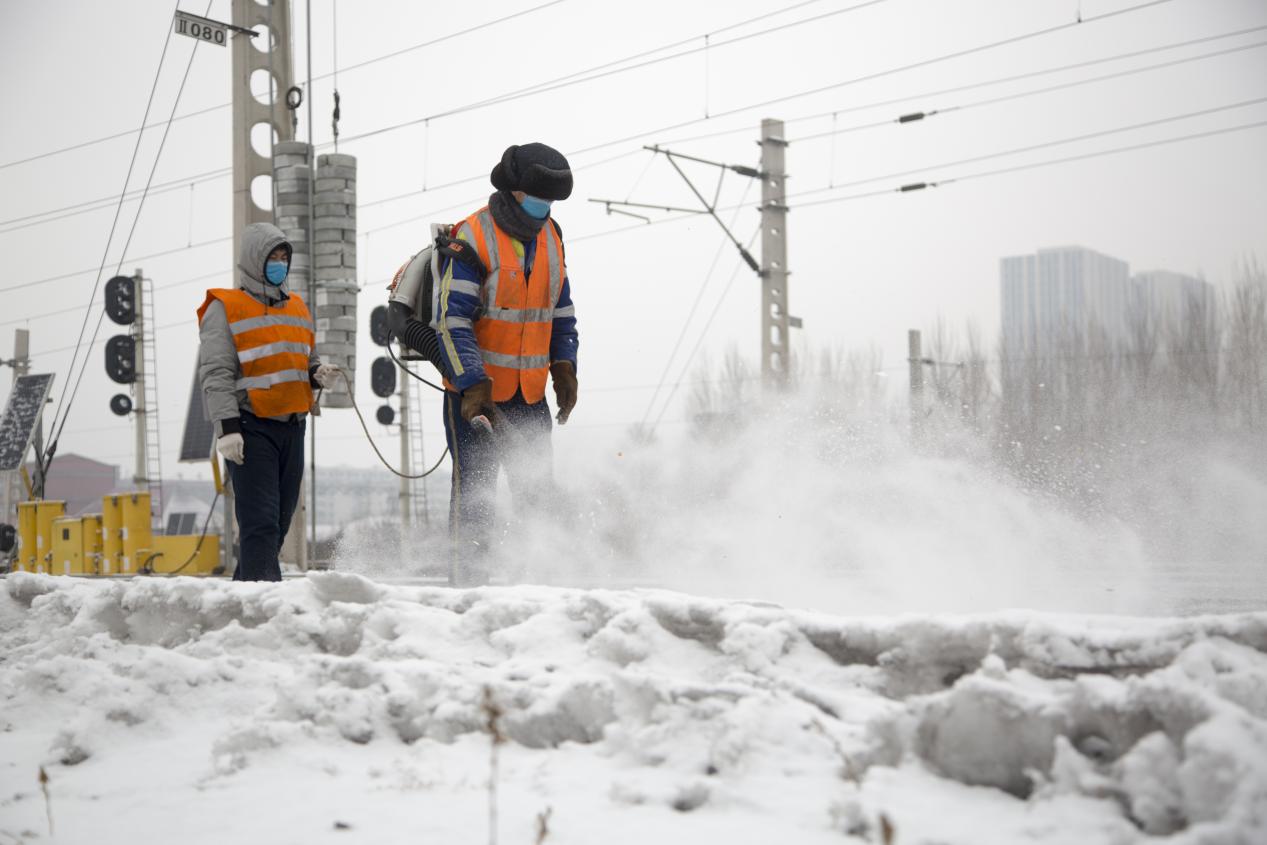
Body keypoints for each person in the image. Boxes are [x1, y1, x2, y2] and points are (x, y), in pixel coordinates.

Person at [417, 142, 579, 585]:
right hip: (477, 400)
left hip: (529, 396)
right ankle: (468, 594)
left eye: (552, 201)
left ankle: (536, 593)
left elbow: (559, 309)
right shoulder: (472, 237)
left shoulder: (553, 237)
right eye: (537, 198)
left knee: (537, 501)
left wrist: (565, 365)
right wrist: (473, 383)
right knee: (476, 501)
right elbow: (452, 321)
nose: (544, 208)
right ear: (512, 192)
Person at [197, 222, 338, 581]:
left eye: (283, 257)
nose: (279, 264)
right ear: (253, 260)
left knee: (277, 523)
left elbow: (305, 357)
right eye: (271, 257)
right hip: (250, 426)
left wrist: (316, 371)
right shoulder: (226, 308)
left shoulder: (298, 307)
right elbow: (216, 373)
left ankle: (245, 598)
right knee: (259, 522)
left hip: (293, 426)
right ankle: (264, 605)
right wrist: (226, 429)